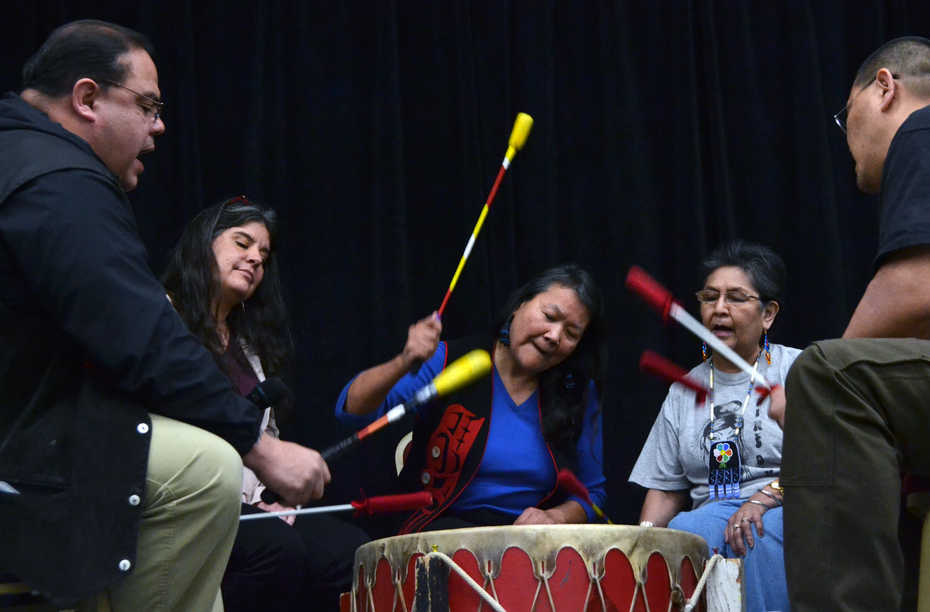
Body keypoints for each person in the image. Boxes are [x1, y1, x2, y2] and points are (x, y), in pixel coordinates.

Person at [0, 20, 329, 610]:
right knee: (204, 468)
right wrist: (259, 445)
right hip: (22, 436)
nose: (159, 128)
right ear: (88, 99)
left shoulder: (22, 154)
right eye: (149, 106)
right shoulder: (60, 180)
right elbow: (139, 335)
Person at [769, 37, 930, 611]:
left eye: (845, 119)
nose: (846, 142)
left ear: (885, 88)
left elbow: (921, 293)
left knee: (826, 375)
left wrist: (807, 393)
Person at [162, 197, 369, 610]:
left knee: (351, 554)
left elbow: (265, 437)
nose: (255, 258)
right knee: (277, 551)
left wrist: (278, 502)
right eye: (242, 243)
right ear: (204, 244)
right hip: (190, 498)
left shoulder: (247, 346)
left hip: (250, 506)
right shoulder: (161, 315)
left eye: (263, 254)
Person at [335, 264, 607, 533]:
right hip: (441, 538)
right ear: (519, 306)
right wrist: (404, 361)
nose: (554, 336)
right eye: (549, 316)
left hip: (529, 545)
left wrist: (556, 517)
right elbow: (352, 410)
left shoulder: (577, 393)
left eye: (571, 333)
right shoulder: (449, 361)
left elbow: (591, 493)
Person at [630, 240, 799, 612]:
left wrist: (759, 501)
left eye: (736, 298)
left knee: (754, 533)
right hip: (711, 512)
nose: (719, 308)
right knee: (687, 533)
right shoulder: (682, 391)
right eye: (710, 297)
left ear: (768, 314)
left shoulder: (798, 371)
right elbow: (665, 489)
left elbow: (827, 460)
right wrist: (640, 544)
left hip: (788, 502)